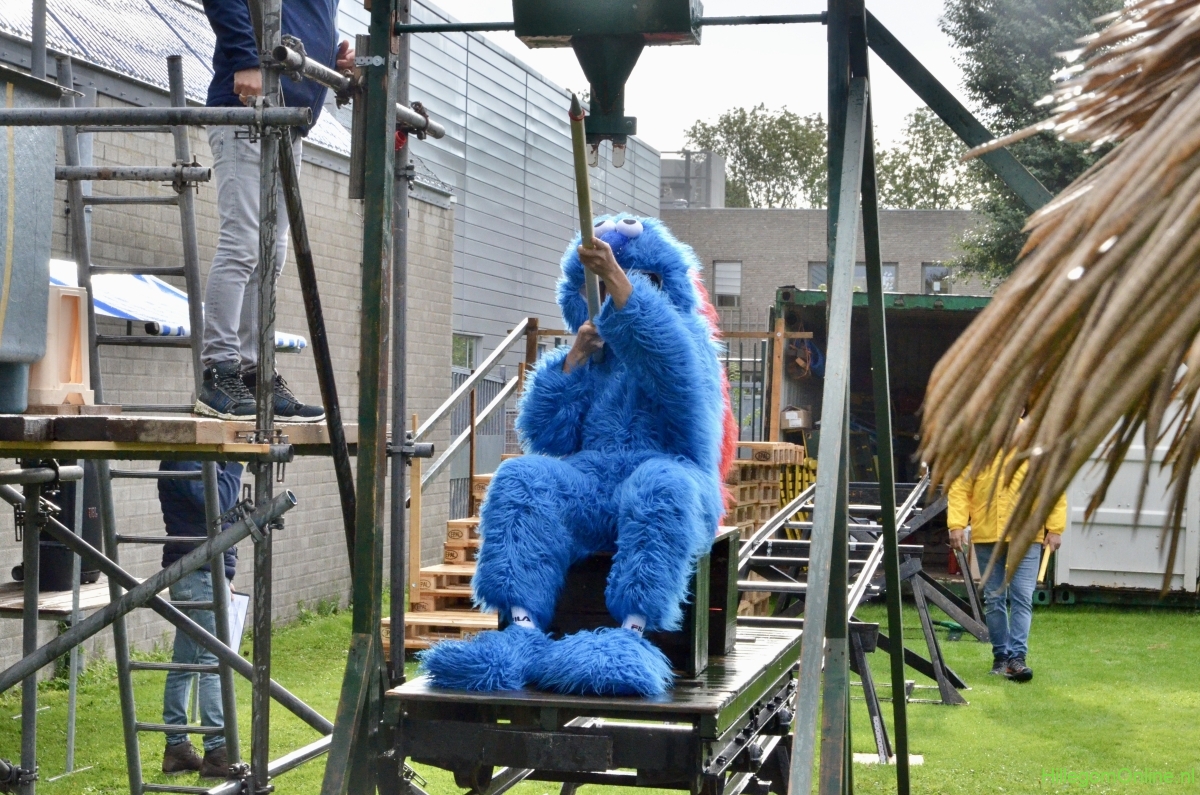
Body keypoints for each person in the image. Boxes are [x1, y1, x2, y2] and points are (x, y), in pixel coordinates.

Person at [194, 0, 354, 421]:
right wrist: (245, 59)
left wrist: (329, 58)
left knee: (271, 254)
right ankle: (218, 371)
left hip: (287, 119)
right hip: (249, 106)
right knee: (243, 244)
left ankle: (254, 373)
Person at [159, 460, 243, 778]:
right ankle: (217, 752)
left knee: (185, 663)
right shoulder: (190, 459)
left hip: (201, 571)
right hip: (199, 571)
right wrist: (236, 465)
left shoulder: (194, 459)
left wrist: (224, 573)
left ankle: (178, 749)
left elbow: (219, 519)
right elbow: (217, 505)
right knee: (213, 662)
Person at [947, 455, 1065, 682]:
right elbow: (960, 487)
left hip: (1025, 532)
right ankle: (1002, 657)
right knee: (994, 598)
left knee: (1022, 596)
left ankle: (1016, 658)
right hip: (989, 533)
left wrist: (1055, 528)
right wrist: (957, 525)